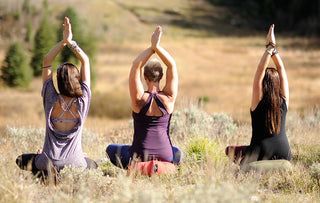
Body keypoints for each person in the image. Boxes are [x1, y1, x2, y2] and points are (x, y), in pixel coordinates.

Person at [16, 17, 97, 178]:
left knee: (21, 160)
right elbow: (85, 61)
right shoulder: (83, 101)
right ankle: (67, 172)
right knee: (92, 164)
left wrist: (62, 42)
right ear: (77, 81)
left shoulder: (50, 97)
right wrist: (71, 42)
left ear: (58, 81)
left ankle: (46, 175)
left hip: (48, 161)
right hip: (75, 163)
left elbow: (46, 60)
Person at [106, 26, 182, 168]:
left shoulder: (139, 100)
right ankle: (162, 167)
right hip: (165, 155)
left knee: (111, 149)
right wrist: (157, 47)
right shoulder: (169, 98)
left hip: (138, 156)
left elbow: (136, 65)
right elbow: (172, 65)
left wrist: (151, 48)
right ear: (162, 76)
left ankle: (139, 168)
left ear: (144, 77)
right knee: (178, 152)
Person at [225, 24, 292, 165]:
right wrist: (273, 48)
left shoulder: (258, 101)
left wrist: (269, 48)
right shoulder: (284, 101)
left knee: (229, 150)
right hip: (284, 153)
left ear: (263, 84)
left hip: (259, 153)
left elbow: (260, 70)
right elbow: (281, 68)